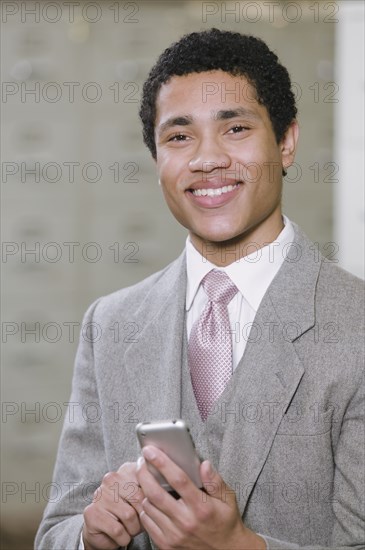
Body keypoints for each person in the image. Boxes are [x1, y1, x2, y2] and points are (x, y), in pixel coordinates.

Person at [35, 28, 364, 550]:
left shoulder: (356, 325)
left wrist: (238, 546)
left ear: (286, 143)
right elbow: (55, 533)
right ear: (157, 161)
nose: (206, 159)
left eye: (235, 128)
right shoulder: (111, 324)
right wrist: (90, 535)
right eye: (179, 137)